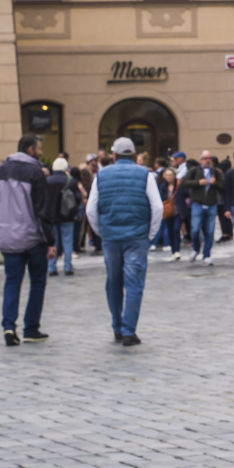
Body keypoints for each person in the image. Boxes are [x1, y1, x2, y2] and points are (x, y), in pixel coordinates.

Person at [85, 136, 160, 346]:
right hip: (137, 236)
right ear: (134, 155)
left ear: (114, 156)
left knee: (113, 282)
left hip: (111, 236)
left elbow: (91, 209)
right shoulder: (146, 174)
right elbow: (157, 207)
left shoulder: (101, 174)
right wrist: (151, 234)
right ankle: (129, 330)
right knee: (134, 283)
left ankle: (117, 326)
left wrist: (101, 232)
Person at [0, 135, 57, 344]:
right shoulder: (35, 172)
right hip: (31, 235)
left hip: (6, 235)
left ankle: (9, 326)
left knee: (12, 281)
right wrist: (51, 241)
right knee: (37, 281)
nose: (41, 152)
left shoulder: (0, 170)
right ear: (30, 149)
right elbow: (42, 210)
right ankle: (31, 328)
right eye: (39, 148)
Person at [46, 156, 81, 277]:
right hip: (67, 216)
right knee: (67, 241)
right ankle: (67, 267)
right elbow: (78, 197)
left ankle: (51, 267)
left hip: (52, 217)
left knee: (52, 242)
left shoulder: (48, 181)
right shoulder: (70, 180)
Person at [190, 149, 224, 266]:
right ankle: (196, 248)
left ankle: (207, 255)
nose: (207, 160)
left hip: (211, 205)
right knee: (195, 230)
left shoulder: (215, 172)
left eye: (209, 158)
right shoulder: (194, 171)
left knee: (209, 231)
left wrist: (215, 183)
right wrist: (198, 183)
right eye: (205, 158)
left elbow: (223, 188)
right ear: (200, 160)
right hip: (197, 204)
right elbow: (184, 183)